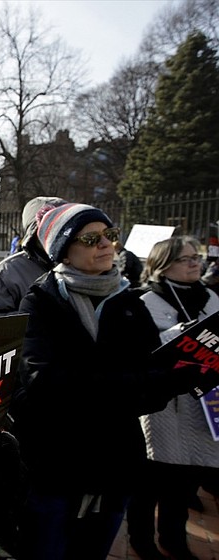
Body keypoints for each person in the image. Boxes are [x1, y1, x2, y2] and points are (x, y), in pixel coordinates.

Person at [11, 203, 219, 560]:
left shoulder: (129, 303)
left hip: (116, 463)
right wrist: (139, 382)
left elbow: (148, 394)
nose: (106, 244)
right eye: (91, 238)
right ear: (65, 251)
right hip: (55, 464)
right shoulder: (40, 303)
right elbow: (46, 384)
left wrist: (177, 377)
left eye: (110, 235)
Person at [126, 236, 219, 560]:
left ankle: (173, 538)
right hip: (163, 407)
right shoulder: (143, 300)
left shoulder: (212, 298)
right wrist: (177, 334)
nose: (196, 263)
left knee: (184, 482)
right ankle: (140, 539)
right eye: (186, 259)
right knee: (149, 484)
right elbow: (138, 352)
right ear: (163, 264)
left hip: (202, 406)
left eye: (197, 257)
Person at [0, 196, 65, 317]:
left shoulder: (83, 262)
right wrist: (36, 319)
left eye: (63, 227)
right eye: (50, 227)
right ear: (34, 232)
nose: (57, 234)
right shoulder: (8, 271)